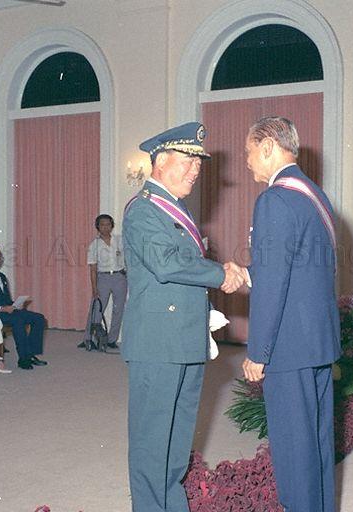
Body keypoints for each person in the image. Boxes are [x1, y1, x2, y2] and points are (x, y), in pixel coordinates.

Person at [121, 121, 244, 512]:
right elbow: (166, 264)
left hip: (184, 337)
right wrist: (221, 273)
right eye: (189, 161)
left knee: (176, 440)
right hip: (158, 341)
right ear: (159, 162)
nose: (196, 170)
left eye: (198, 164)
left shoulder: (174, 209)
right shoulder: (143, 210)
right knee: (152, 439)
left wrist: (218, 272)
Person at [241, 117, 341, 512]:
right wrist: (248, 273)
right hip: (316, 341)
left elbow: (273, 284)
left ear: (267, 147)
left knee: (294, 453)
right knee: (316, 445)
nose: (248, 161)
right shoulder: (314, 194)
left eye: (250, 152)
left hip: (287, 346)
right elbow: (296, 268)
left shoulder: (275, 198)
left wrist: (258, 352)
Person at [0, 244, 47, 370]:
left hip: (7, 309)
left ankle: (30, 353)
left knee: (39, 318)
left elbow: (5, 299)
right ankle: (23, 359)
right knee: (18, 320)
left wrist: (16, 304)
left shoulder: (1, 276)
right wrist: (1, 308)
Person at [87, 214, 127, 348]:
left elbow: (127, 258)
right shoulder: (94, 245)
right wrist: (94, 288)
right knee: (97, 308)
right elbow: (92, 268)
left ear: (112, 226)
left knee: (118, 309)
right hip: (103, 278)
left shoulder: (119, 240)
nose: (105, 227)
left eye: (108, 224)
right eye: (102, 224)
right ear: (98, 226)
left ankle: (111, 340)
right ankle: (89, 338)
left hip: (119, 277)